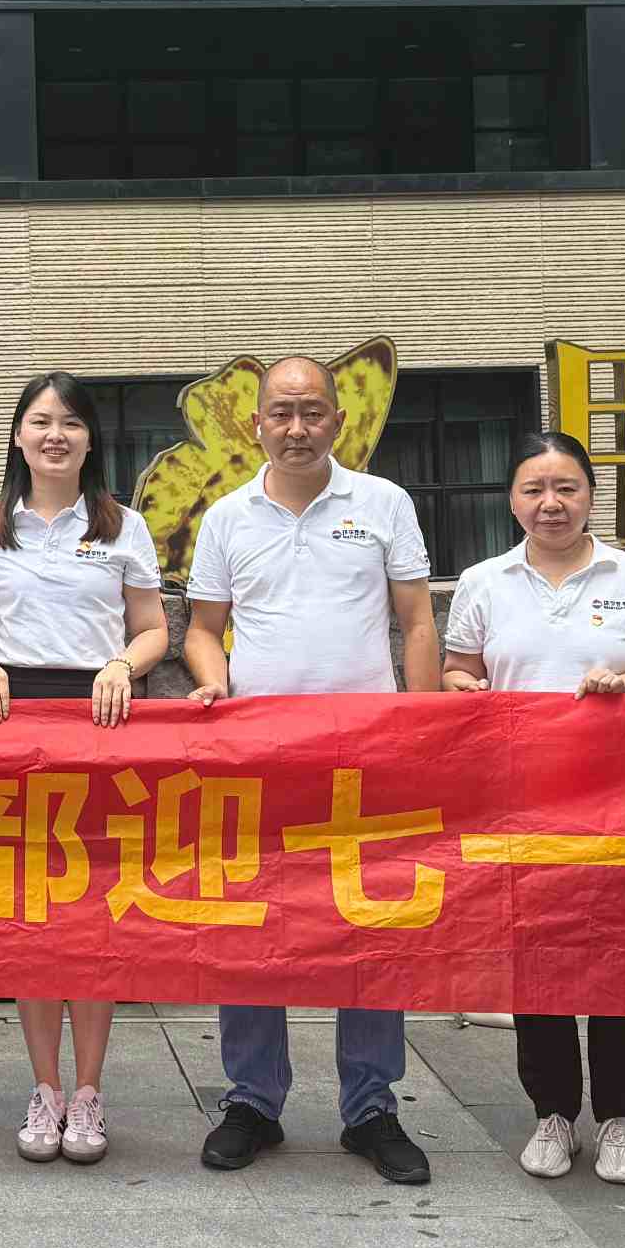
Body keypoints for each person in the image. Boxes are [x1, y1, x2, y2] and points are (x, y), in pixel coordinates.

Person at [182, 354, 437, 1185]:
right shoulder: (227, 517)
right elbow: (202, 628)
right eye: (281, 413)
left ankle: (372, 1107)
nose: (297, 428)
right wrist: (213, 682)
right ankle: (253, 1100)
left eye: (312, 412)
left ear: (338, 420)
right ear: (256, 422)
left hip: (367, 754)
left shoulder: (384, 503)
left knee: (368, 926)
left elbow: (416, 620)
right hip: (259, 758)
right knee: (251, 924)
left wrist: (423, 726)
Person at [443, 432, 625, 1186]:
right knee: (538, 960)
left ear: (589, 495)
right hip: (523, 802)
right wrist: (465, 689)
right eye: (534, 490)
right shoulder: (484, 581)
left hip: (619, 802)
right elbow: (457, 670)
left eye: (566, 489)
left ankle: (619, 1120)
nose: (550, 504)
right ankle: (552, 1113)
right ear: (512, 500)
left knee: (619, 960)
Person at [0, 369, 169, 1166]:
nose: (55, 435)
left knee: (94, 912)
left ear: (89, 439)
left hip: (101, 719)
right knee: (34, 914)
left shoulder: (122, 525)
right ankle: (44, 1087)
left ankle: (90, 1091)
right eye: (40, 421)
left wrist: (122, 663)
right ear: (18, 435)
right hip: (15, 721)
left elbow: (152, 628)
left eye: (70, 422)